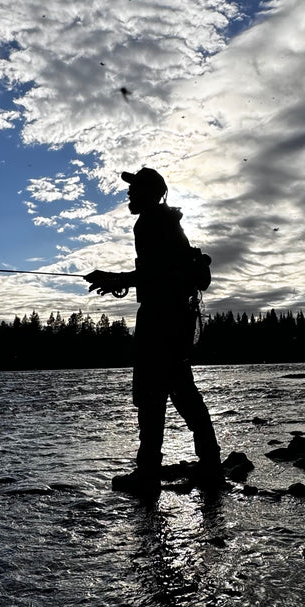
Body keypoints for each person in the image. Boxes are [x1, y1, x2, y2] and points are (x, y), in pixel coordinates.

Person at [85, 167, 223, 495]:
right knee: (180, 392)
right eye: (131, 189)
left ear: (154, 192)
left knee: (152, 395)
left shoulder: (151, 222)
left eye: (136, 189)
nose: (130, 194)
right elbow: (157, 272)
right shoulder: (164, 221)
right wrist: (117, 278)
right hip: (173, 319)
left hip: (162, 321)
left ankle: (149, 474)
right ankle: (209, 465)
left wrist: (116, 278)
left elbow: (158, 274)